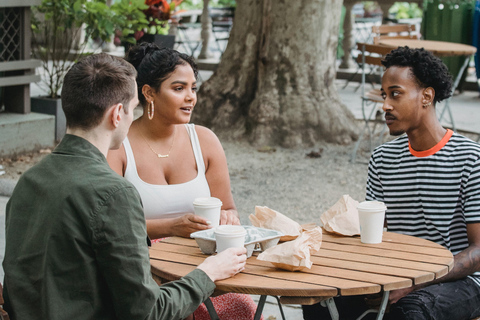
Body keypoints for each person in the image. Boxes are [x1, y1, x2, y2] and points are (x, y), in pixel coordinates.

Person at [2, 53, 247, 320]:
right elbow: (146, 311)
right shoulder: (114, 193)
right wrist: (208, 272)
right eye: (133, 108)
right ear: (118, 114)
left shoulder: (30, 180)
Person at [305, 47, 480, 320]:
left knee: (411, 311)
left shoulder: (471, 159)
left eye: (395, 94)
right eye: (384, 95)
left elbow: (478, 250)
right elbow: (377, 236)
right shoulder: (383, 158)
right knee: (319, 299)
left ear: (426, 96)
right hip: (399, 273)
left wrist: (416, 282)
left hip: (460, 282)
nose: (385, 105)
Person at [107, 43, 260, 320]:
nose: (190, 97)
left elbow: (228, 207)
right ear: (149, 92)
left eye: (193, 88)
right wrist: (170, 227)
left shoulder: (204, 140)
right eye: (178, 88)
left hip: (205, 265)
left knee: (243, 308)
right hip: (145, 272)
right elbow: (110, 230)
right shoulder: (119, 146)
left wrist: (228, 218)